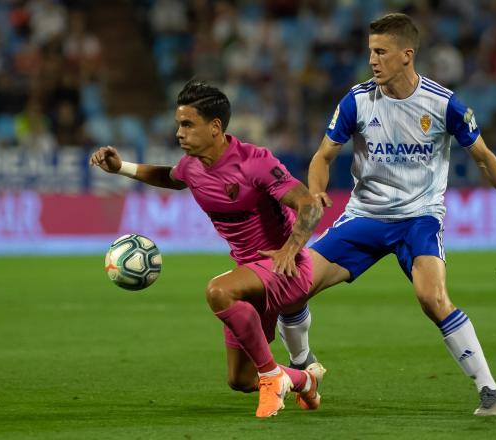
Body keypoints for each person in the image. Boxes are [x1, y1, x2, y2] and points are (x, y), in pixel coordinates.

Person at [296, 13, 496, 416]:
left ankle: (490, 390)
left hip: (419, 218)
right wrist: (315, 191)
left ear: (406, 55)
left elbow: (484, 158)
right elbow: (322, 156)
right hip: (365, 216)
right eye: (370, 52)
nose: (373, 60)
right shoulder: (357, 100)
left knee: (431, 298)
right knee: (293, 286)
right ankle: (303, 368)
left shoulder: (443, 103)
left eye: (381, 52)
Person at [89, 79, 326, 418]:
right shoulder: (192, 166)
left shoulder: (254, 162)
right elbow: (171, 178)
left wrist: (291, 249)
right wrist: (121, 167)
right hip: (250, 275)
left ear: (215, 127)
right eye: (178, 125)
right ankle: (303, 380)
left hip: (284, 267)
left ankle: (273, 377)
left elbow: (310, 205)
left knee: (218, 291)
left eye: (187, 124)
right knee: (241, 379)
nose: (179, 133)